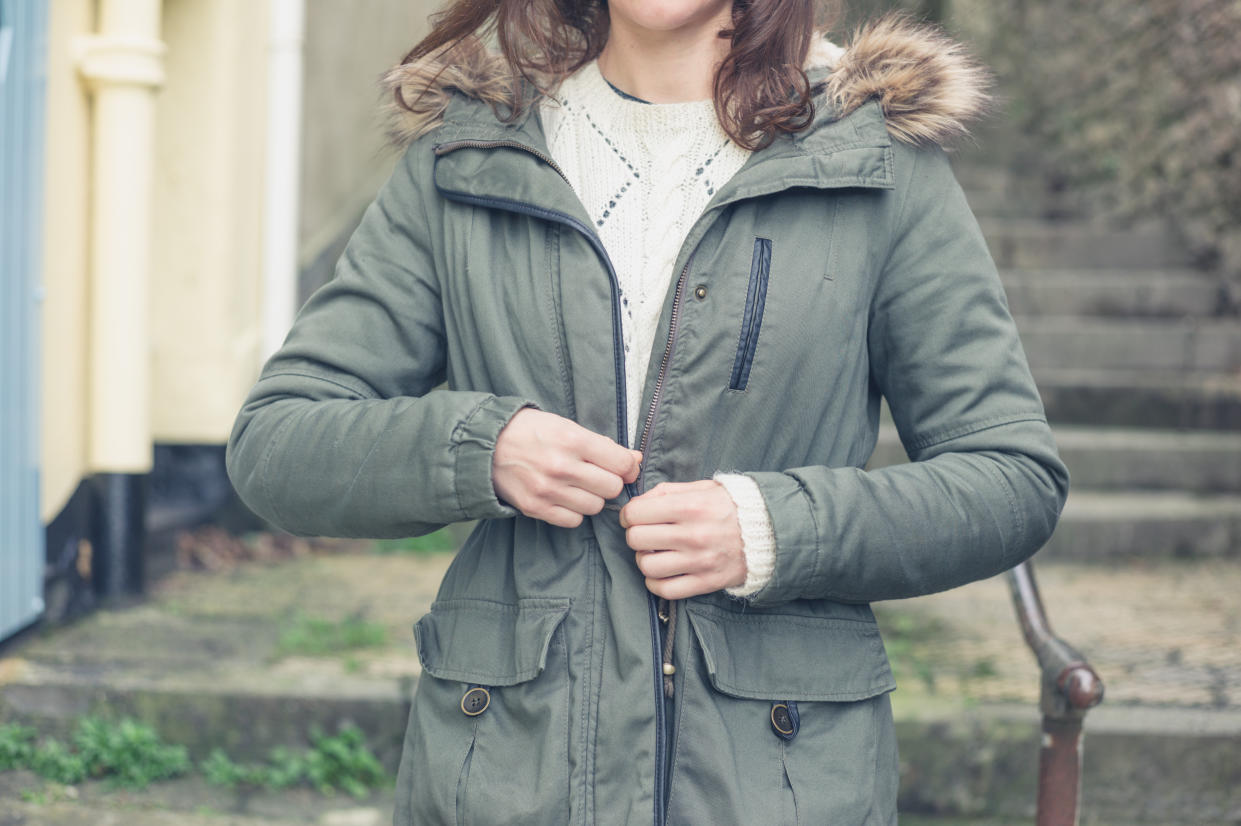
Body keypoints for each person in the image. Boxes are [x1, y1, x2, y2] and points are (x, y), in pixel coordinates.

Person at [226, 0, 1069, 821]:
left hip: (780, 781)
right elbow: (279, 444)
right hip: (507, 774)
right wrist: (481, 448)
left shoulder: (877, 158)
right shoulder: (468, 151)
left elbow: (1008, 478)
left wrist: (772, 528)